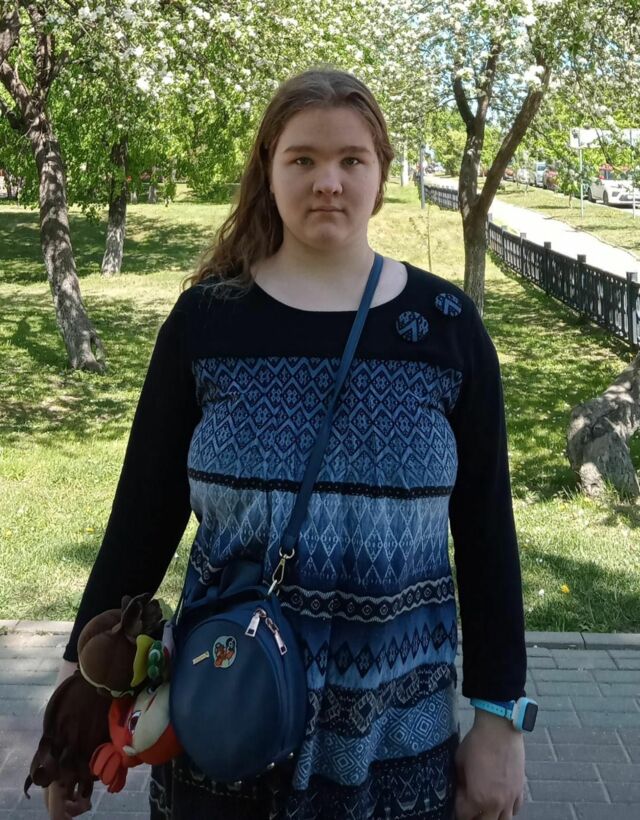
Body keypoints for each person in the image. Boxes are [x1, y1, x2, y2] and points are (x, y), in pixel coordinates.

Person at [47, 68, 528, 820]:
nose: (327, 181)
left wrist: (500, 720)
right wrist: (77, 702)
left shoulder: (446, 328)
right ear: (268, 171)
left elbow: (488, 533)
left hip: (396, 739)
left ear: (381, 174)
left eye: (350, 160)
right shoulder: (207, 324)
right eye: (302, 159)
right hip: (225, 727)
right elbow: (141, 518)